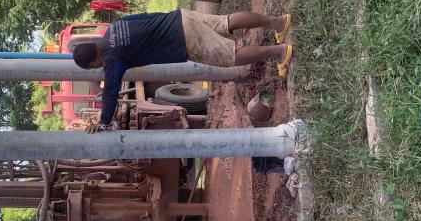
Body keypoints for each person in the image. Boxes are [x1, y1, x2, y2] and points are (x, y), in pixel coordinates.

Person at [72, 10, 293, 132]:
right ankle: (279, 22)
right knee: (226, 22)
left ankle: (279, 52)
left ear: (94, 62)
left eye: (95, 67)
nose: (99, 68)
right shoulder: (114, 27)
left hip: (182, 40)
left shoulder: (112, 57)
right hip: (180, 18)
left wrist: (103, 123)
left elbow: (110, 92)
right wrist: (169, 19)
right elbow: (145, 16)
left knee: (230, 56)